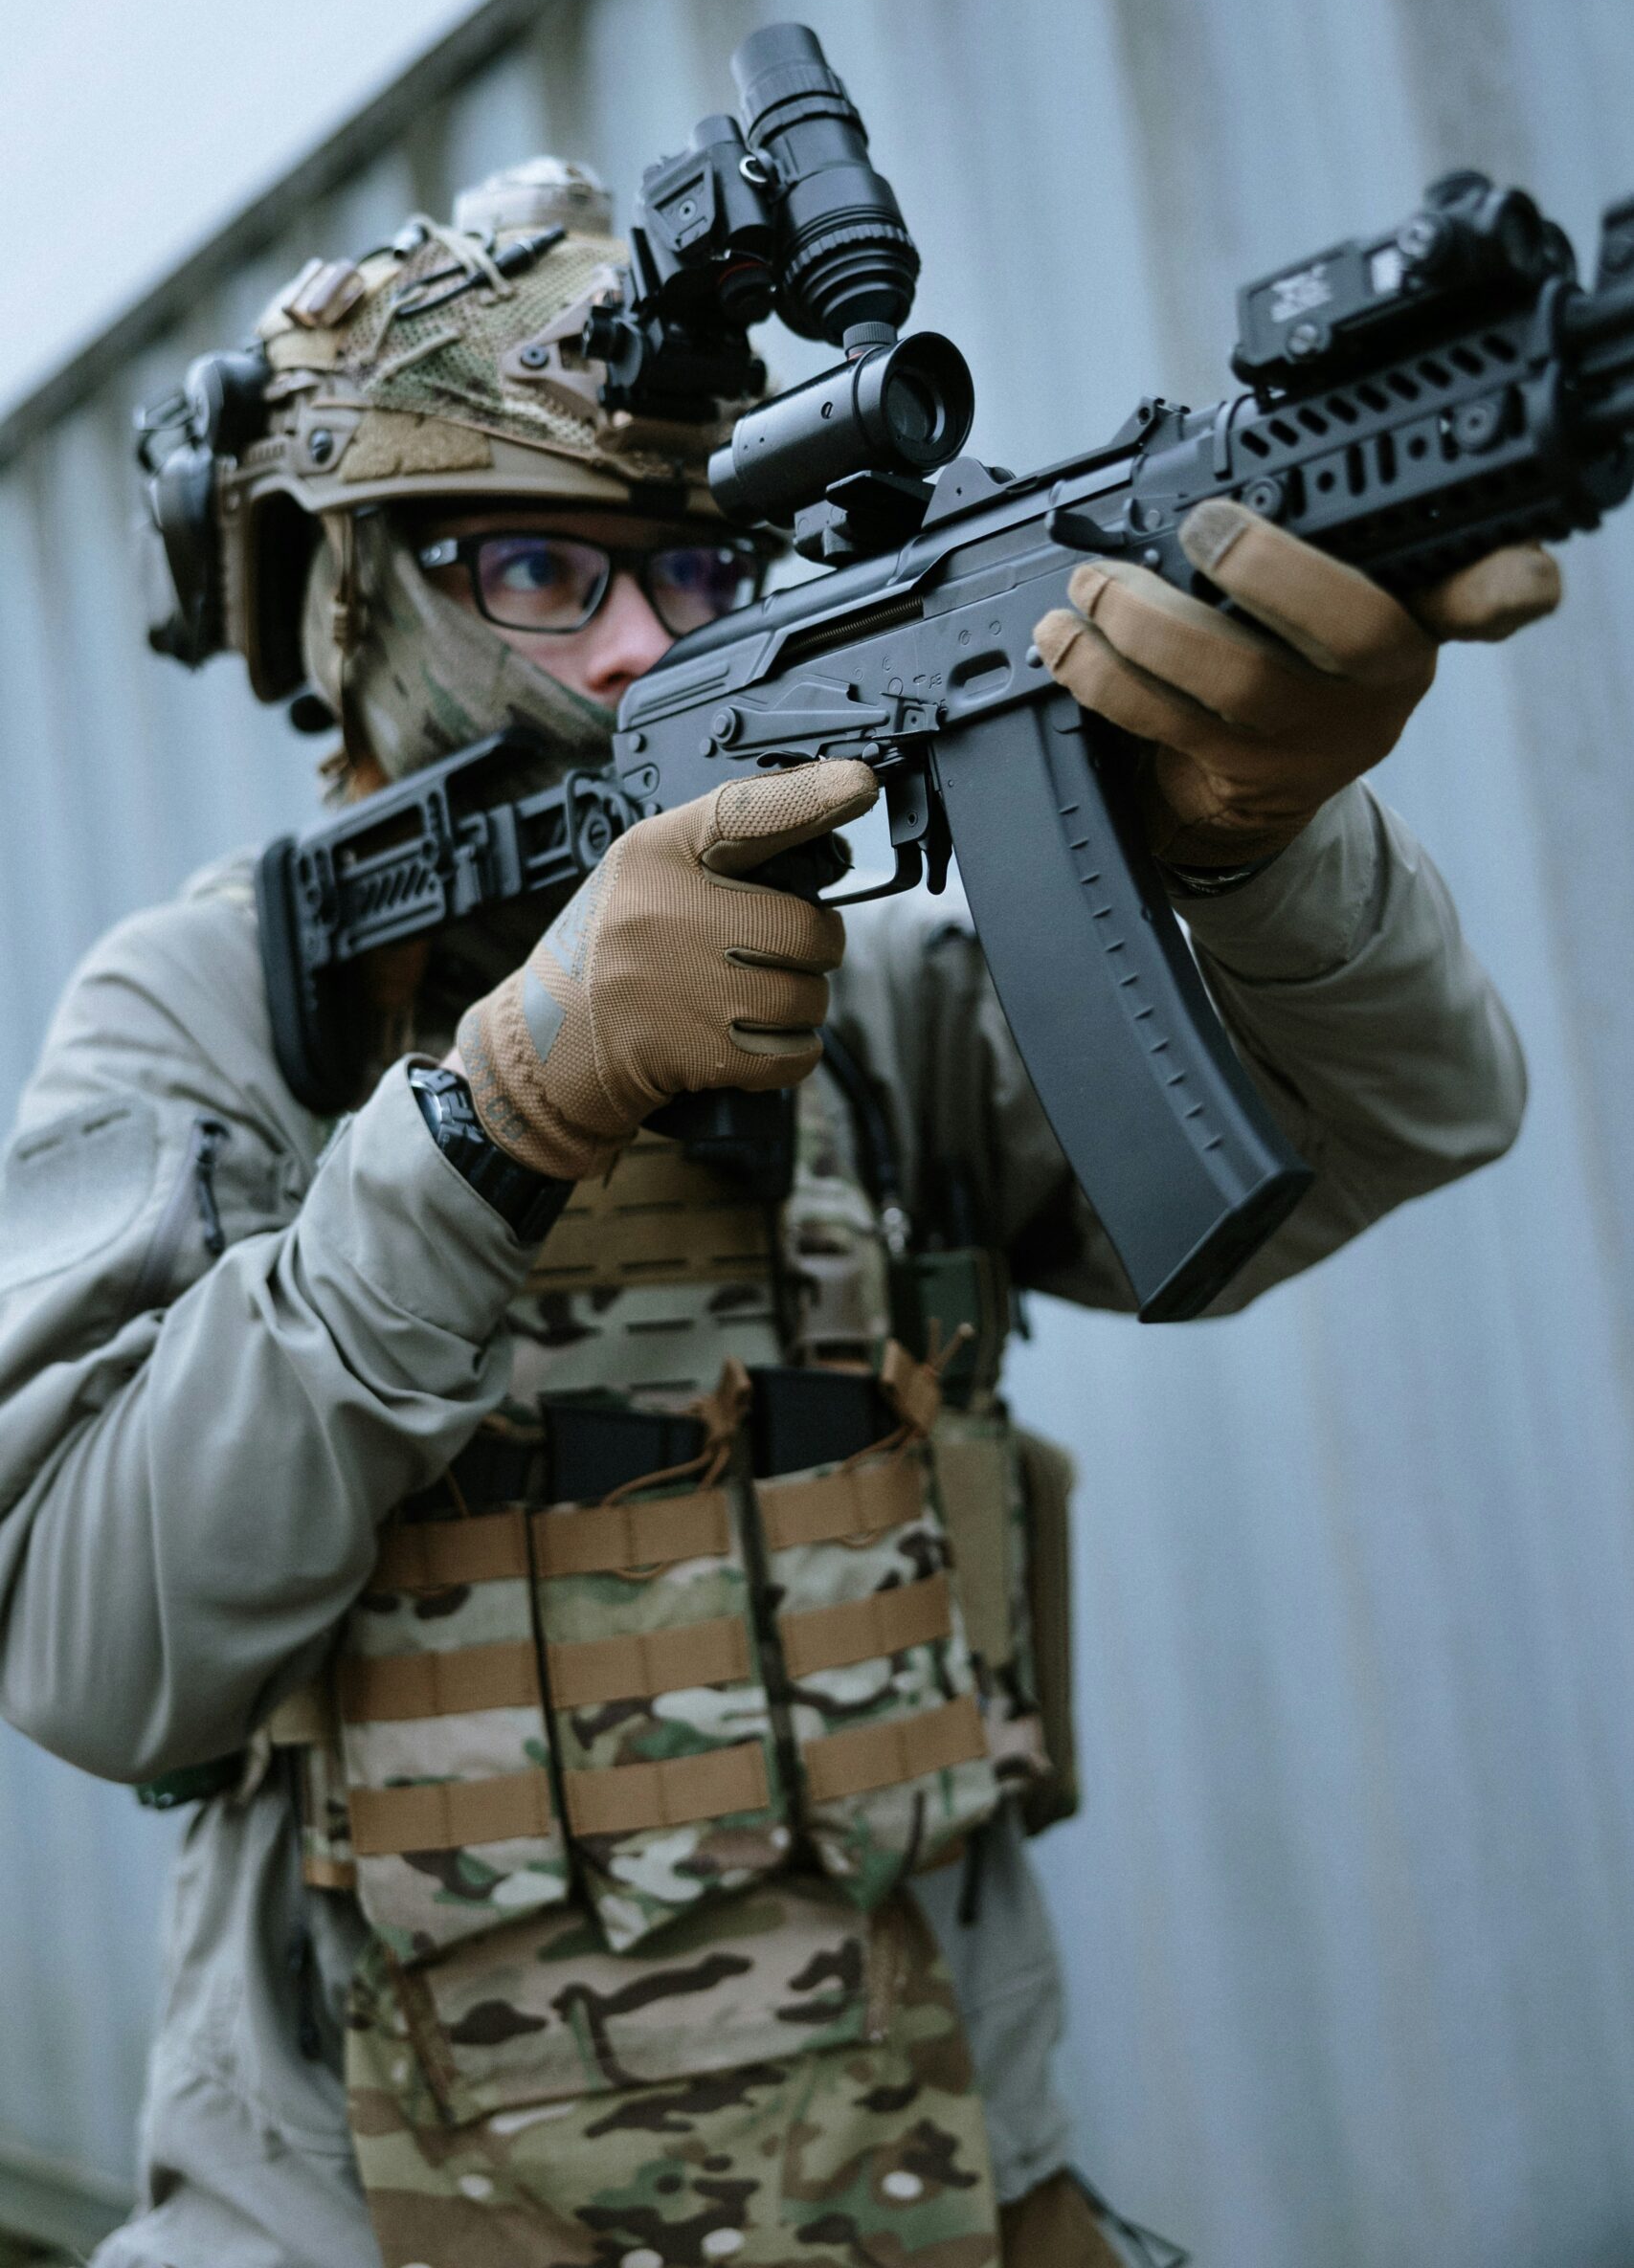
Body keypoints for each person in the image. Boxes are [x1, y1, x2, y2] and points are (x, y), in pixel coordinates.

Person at [0, 157, 1556, 2268]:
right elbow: (96, 1656)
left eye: (700, 566)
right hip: (358, 2212)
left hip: (917, 2185)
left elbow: (1407, 1118)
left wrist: (1264, 845)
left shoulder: (863, 997)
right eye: (540, 567)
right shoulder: (206, 1016)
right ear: (345, 599)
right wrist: (495, 1113)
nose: (645, 645)